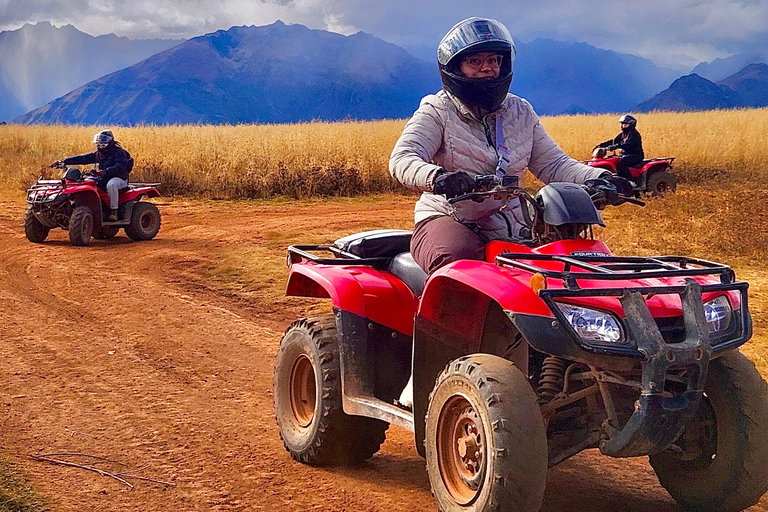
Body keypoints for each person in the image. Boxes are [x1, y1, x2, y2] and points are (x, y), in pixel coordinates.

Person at [389, 17, 629, 274]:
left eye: (493, 60)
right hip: (450, 217)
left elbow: (554, 164)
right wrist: (438, 178)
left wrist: (601, 177)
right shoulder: (437, 110)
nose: (487, 68)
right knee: (458, 263)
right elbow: (403, 158)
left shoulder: (520, 111)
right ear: (455, 68)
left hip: (514, 219)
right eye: (475, 61)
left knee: (568, 262)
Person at [52, 130, 133, 221]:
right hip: (103, 178)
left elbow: (120, 167)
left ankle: (113, 211)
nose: (100, 144)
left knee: (112, 185)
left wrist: (105, 172)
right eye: (99, 142)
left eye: (103, 141)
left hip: (119, 179)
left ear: (110, 141)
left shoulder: (119, 152)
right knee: (86, 182)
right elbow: (83, 158)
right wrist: (64, 162)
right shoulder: (99, 154)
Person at [593, 114, 644, 182]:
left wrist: (615, 147)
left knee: (621, 163)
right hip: (625, 155)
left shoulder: (634, 135)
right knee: (612, 159)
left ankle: (631, 181)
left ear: (631, 125)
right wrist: (601, 145)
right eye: (622, 124)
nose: (623, 126)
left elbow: (628, 145)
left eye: (625, 124)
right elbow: (614, 141)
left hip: (636, 155)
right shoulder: (623, 134)